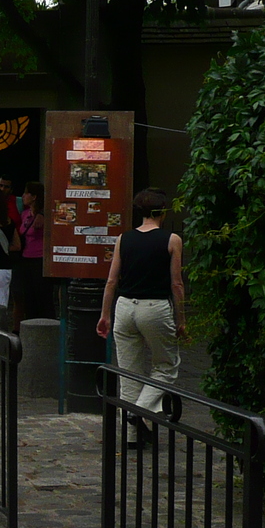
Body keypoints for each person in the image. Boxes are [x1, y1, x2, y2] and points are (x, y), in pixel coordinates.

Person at [96, 188, 187, 447]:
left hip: (124, 306)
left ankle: (133, 435)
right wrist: (181, 318)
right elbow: (176, 284)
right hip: (155, 307)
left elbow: (112, 280)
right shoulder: (172, 239)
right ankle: (140, 411)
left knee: (129, 372)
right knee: (166, 365)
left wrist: (105, 314)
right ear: (163, 211)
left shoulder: (124, 239)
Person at [11, 181, 50, 326]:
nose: (23, 196)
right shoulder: (25, 213)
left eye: (26, 193)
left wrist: (42, 213)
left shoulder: (44, 214)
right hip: (25, 258)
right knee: (28, 296)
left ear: (34, 196)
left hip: (39, 258)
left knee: (42, 296)